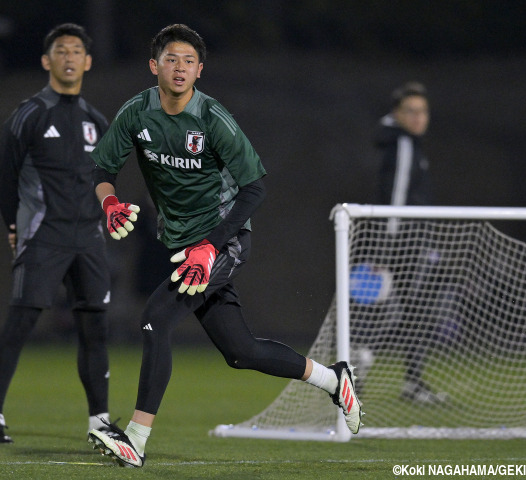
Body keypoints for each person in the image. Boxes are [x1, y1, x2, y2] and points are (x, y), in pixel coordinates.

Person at [86, 24, 362, 468]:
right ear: (154, 66)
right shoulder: (137, 112)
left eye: (189, 61)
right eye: (172, 59)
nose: (180, 68)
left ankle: (136, 438)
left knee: (156, 319)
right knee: (241, 352)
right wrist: (110, 203)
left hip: (223, 240)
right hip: (182, 245)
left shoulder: (212, 118)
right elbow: (101, 168)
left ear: (200, 71)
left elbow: (254, 189)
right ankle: (335, 381)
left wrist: (211, 247)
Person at [0, 23, 116, 443]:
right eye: (61, 50)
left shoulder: (97, 120)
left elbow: (106, 178)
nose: (70, 57)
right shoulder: (30, 113)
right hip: (43, 234)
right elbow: (4, 176)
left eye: (77, 50)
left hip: (89, 239)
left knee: (94, 328)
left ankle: (99, 420)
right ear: (47, 61)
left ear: (88, 62)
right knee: (20, 322)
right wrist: (12, 225)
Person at [373, 81, 448, 405]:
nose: (419, 118)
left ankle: (406, 380)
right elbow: (397, 198)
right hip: (403, 243)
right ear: (397, 114)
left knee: (410, 310)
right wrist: (388, 250)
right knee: (411, 311)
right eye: (411, 112)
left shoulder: (408, 142)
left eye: (423, 112)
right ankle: (370, 367)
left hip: (410, 241)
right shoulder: (403, 144)